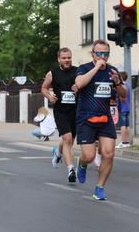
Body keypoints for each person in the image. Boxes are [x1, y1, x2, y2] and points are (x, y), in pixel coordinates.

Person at [75, 39, 126, 200]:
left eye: (106, 53)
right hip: (86, 118)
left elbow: (124, 95)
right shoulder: (84, 68)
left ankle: (99, 187)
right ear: (93, 54)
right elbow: (80, 83)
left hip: (105, 119)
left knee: (108, 154)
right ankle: (82, 163)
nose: (103, 56)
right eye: (99, 53)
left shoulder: (113, 71)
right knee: (89, 156)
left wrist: (117, 82)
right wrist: (96, 67)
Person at [42, 47, 78, 183]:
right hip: (61, 111)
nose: (67, 60)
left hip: (75, 110)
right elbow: (44, 88)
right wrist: (49, 96)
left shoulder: (77, 71)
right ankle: (71, 170)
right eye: (64, 58)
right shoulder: (52, 73)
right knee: (67, 138)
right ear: (59, 59)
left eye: (69, 57)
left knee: (69, 140)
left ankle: (58, 152)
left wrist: (78, 88)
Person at [116, 71, 131, 148]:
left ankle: (123, 142)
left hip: (122, 108)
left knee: (122, 125)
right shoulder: (128, 85)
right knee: (127, 126)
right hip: (127, 107)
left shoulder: (121, 85)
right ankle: (127, 142)